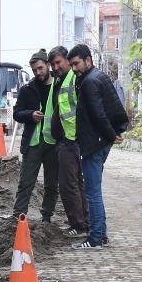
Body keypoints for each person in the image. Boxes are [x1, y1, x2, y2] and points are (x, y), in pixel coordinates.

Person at [67, 44, 130, 250]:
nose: (74, 68)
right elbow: (112, 107)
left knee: (92, 192)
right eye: (72, 65)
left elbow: (98, 113)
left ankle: (95, 238)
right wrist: (113, 132)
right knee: (93, 190)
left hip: (94, 143)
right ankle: (100, 236)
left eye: (76, 64)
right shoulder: (97, 77)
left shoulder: (89, 82)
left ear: (88, 60)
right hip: (101, 141)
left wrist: (111, 135)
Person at [46, 46, 89, 236]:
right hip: (68, 139)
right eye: (52, 64)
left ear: (66, 60)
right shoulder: (61, 81)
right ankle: (83, 221)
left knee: (68, 184)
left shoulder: (72, 79)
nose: (55, 67)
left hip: (71, 139)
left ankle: (78, 224)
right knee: (76, 183)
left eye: (58, 63)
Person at [11, 50, 58, 223]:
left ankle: (47, 217)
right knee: (26, 182)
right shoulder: (28, 89)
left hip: (54, 143)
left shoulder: (59, 85)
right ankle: (18, 215)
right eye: (35, 70)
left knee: (52, 184)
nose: (38, 72)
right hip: (33, 142)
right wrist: (30, 115)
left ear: (47, 65)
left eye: (40, 68)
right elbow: (17, 113)